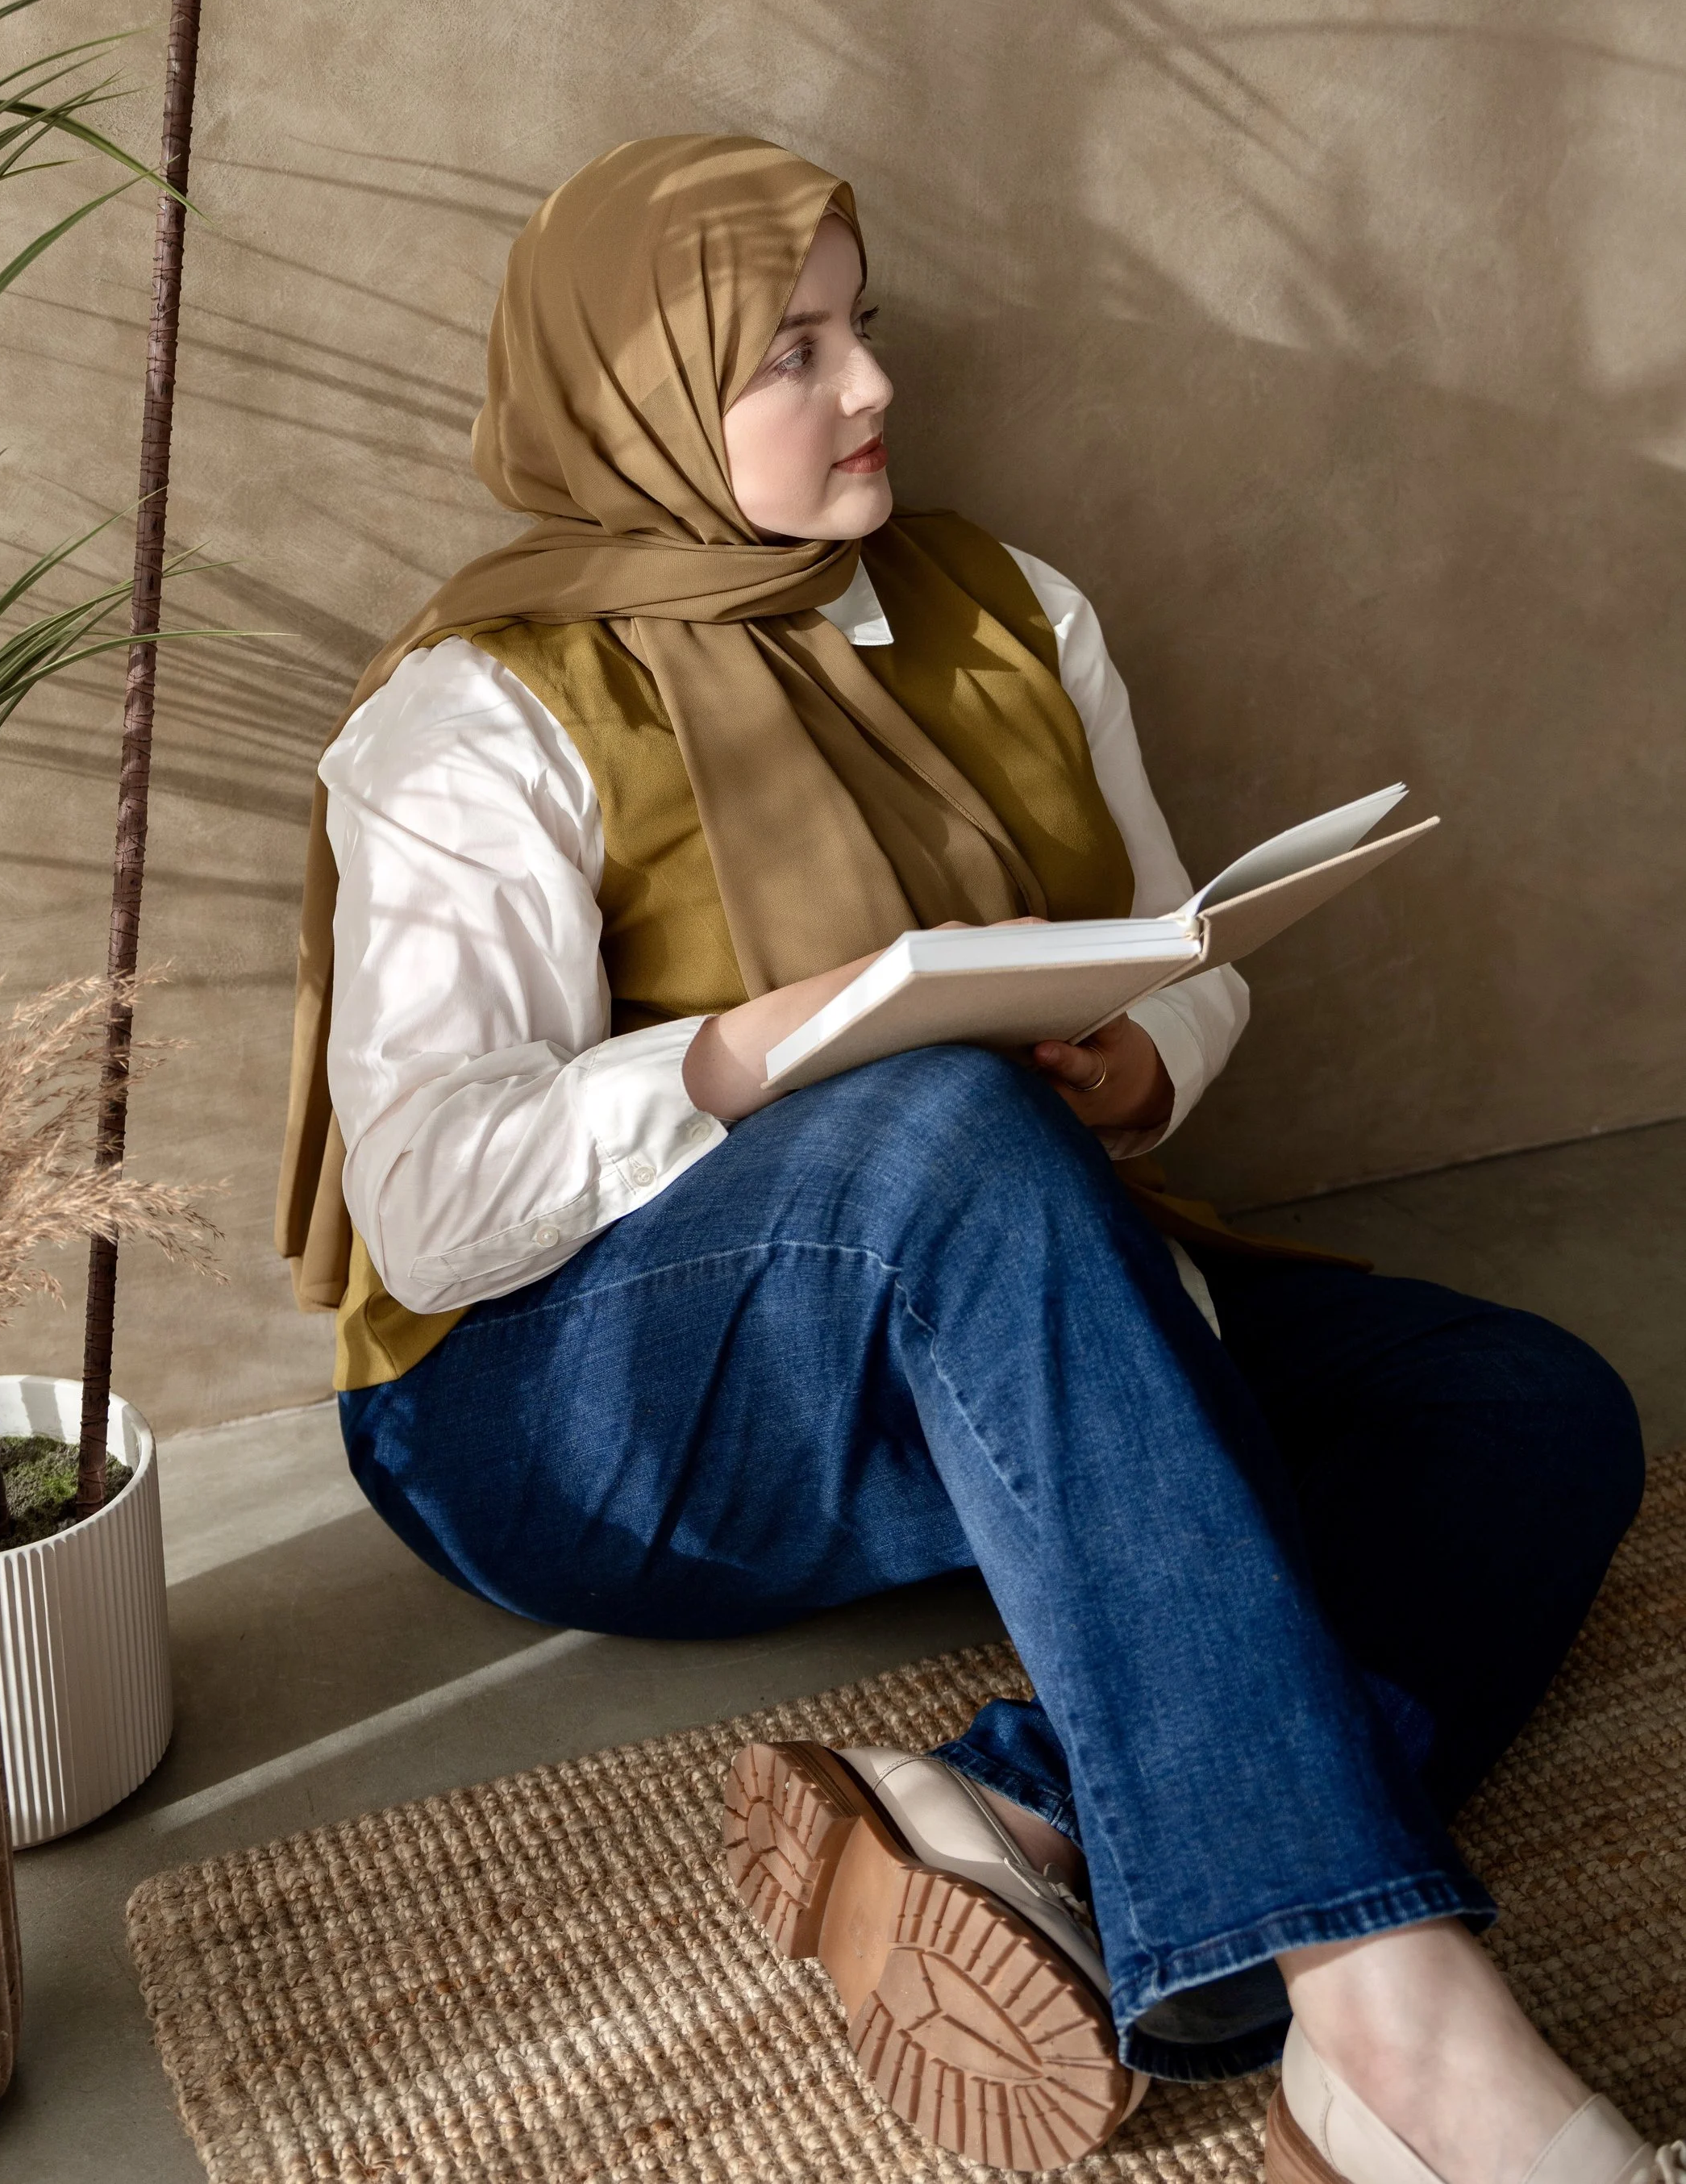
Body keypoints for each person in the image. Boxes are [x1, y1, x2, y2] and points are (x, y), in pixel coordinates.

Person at [278, 135, 1670, 2184]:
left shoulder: (1005, 604)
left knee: (1520, 1407)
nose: (871, 392)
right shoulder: (480, 713)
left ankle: (1008, 1811)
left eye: (866, 330)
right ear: (639, 391)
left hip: (998, 1308)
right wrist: (764, 1050)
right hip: (556, 1419)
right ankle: (1385, 2019)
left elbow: (1175, 945)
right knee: (932, 1118)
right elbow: (433, 1206)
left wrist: (1139, 1069)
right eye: (792, 352)